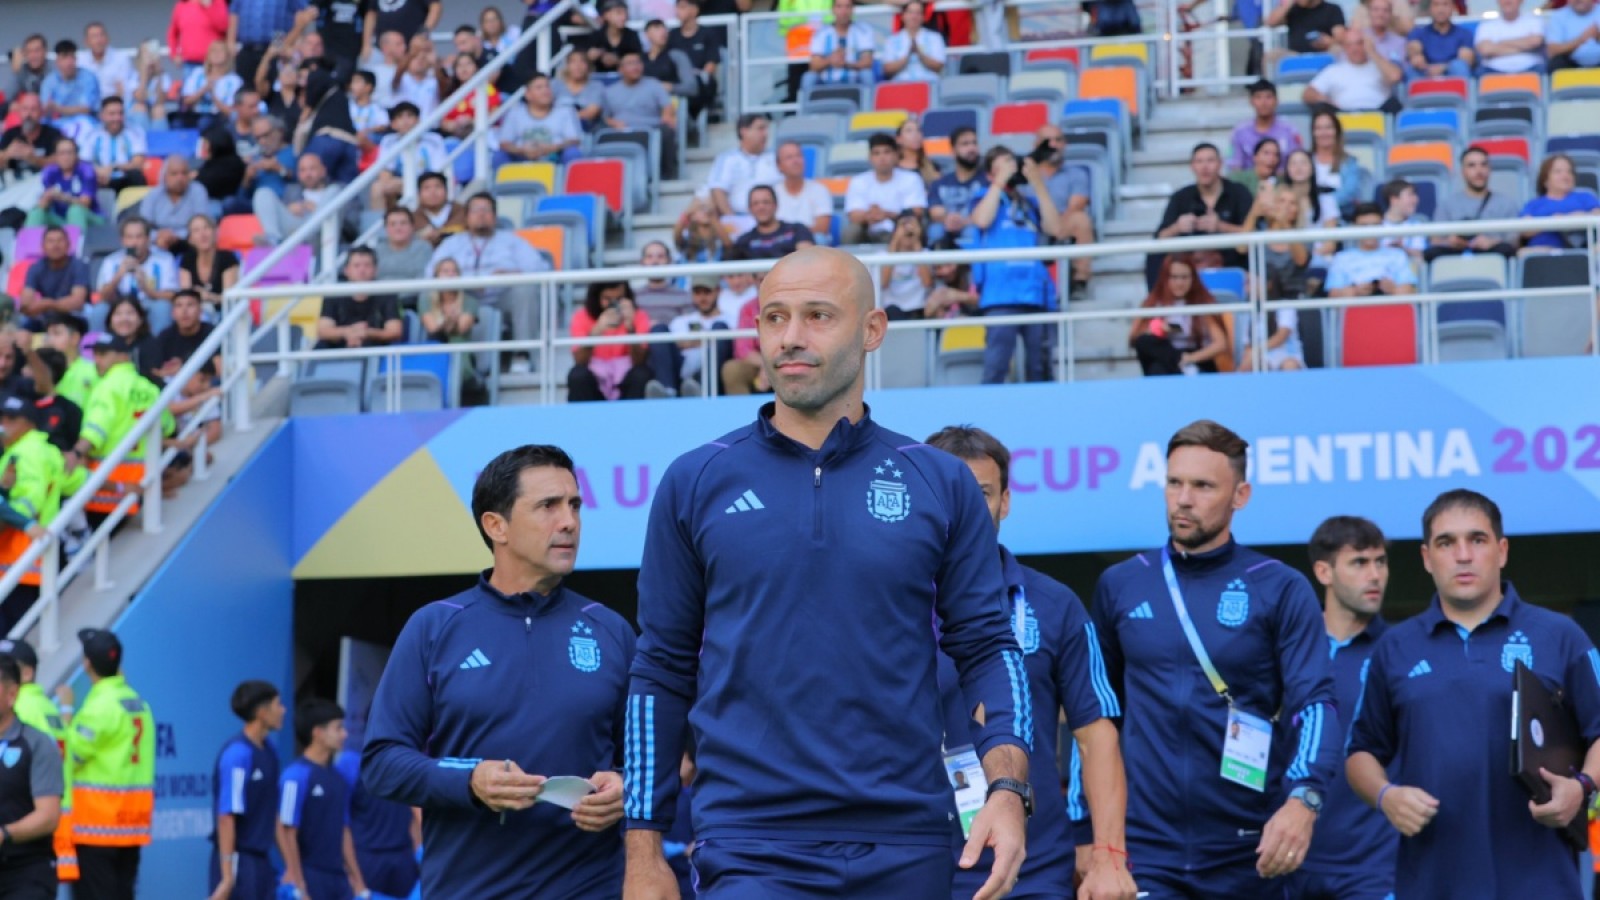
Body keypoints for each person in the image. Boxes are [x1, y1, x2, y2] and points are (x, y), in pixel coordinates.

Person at [622, 246, 1032, 900]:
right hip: (748, 843)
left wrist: (1008, 791)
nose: (790, 338)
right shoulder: (694, 480)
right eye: (774, 317)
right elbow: (660, 668)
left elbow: (987, 647)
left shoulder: (940, 480)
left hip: (907, 840)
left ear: (872, 330)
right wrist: (643, 850)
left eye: (818, 316)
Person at [364, 444, 634, 895]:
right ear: (496, 526)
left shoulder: (612, 630)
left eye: (574, 505)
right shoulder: (434, 627)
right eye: (548, 506)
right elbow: (381, 763)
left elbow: (656, 761)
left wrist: (626, 787)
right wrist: (469, 781)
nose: (569, 521)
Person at [1091, 421, 1339, 899]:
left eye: (1203, 486)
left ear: (1239, 495)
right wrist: (1091, 836)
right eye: (1174, 482)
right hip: (1146, 850)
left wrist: (1303, 799)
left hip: (1250, 849)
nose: (1184, 498)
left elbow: (1315, 703)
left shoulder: (1280, 587)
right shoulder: (1121, 585)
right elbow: (1097, 719)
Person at [1348, 489, 1600, 899]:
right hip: (1432, 883)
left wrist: (1583, 786)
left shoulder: (1560, 635)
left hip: (1542, 884)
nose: (1463, 555)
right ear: (1427, 558)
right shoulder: (1394, 648)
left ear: (1501, 551)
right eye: (1447, 543)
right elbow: (1361, 751)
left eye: (1477, 540)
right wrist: (1385, 795)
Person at [924, 426, 1138, 900]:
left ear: (1005, 501)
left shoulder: (1055, 604)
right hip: (914, 865)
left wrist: (1106, 853)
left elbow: (1095, 734)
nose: (965, 509)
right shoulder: (886, 602)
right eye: (948, 492)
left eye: (979, 493)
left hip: (1032, 869)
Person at [1275, 517, 1396, 900]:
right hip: (1287, 855)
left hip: (1373, 867)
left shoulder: (1400, 651)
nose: (1375, 575)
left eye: (1380, 562)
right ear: (1323, 571)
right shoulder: (1284, 651)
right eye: (1359, 563)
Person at [68, 628, 155, 900]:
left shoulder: (97, 707)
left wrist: (66, 712)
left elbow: (73, 755)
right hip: (132, 825)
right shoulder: (139, 703)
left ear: (87, 664)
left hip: (98, 824)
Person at [970, 146, 1061, 385]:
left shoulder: (1029, 203)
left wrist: (1038, 185)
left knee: (1040, 368)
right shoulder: (983, 196)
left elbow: (1056, 229)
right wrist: (998, 183)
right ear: (990, 174)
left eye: (1013, 164)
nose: (1011, 170)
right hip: (1000, 294)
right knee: (996, 365)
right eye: (1003, 165)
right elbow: (981, 219)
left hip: (1035, 292)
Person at [427, 193, 548, 347]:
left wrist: (512, 275)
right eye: (476, 210)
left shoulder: (512, 241)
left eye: (486, 210)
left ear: (495, 217)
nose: (481, 214)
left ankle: (523, 352)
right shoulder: (451, 244)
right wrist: (464, 283)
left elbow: (539, 268)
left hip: (501, 296)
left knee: (525, 290)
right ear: (466, 217)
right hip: (462, 297)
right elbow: (431, 272)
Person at [277, 699, 368, 900]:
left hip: (338, 880)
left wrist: (358, 881)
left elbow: (344, 830)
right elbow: (286, 831)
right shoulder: (295, 776)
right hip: (310, 877)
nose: (344, 734)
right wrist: (298, 883)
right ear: (317, 732)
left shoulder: (339, 778)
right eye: (338, 728)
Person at [209, 680, 285, 900]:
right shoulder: (238, 754)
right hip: (238, 863)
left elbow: (273, 814)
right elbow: (226, 817)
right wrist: (227, 878)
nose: (283, 710)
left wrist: (291, 868)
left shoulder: (271, 750)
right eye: (278, 705)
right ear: (262, 713)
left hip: (262, 863)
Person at [0, 653, 63, 900]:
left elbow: (48, 817)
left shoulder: (36, 744)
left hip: (26, 872)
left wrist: (5, 834)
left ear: (12, 694)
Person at [1150, 143, 1254, 286]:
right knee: (1154, 256)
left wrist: (1220, 226)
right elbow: (1159, 237)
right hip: (1190, 270)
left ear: (1220, 164)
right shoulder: (1180, 197)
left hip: (1233, 264)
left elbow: (1254, 233)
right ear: (1192, 166)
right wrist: (1177, 228)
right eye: (1199, 161)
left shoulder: (1239, 192)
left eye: (1210, 161)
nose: (1205, 167)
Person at [1130, 253, 1229, 376]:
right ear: (1165, 278)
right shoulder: (1154, 302)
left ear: (1193, 278)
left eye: (1184, 277)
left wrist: (1191, 358)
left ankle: (1186, 366)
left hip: (1197, 357)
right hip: (1165, 354)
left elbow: (1221, 344)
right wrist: (1156, 330)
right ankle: (1181, 365)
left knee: (1158, 369)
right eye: (1174, 277)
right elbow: (1134, 337)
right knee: (1146, 344)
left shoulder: (1202, 302)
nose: (1180, 283)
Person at [1029, 124, 1097, 293]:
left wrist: (1052, 224)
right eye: (1047, 141)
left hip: (1061, 224)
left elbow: (1076, 205)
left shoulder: (1076, 173)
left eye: (1058, 140)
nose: (1053, 145)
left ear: (1065, 144)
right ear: (1036, 145)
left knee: (1080, 219)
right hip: (1029, 227)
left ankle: (1080, 280)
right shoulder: (1024, 174)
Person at [1427, 146, 1522, 262]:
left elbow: (1515, 242)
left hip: (1492, 256)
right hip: (1455, 257)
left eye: (1483, 165)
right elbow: (1435, 241)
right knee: (1432, 253)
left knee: (1505, 249)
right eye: (1472, 165)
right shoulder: (1447, 204)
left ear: (1489, 169)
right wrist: (1451, 242)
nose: (1479, 171)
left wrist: (1491, 242)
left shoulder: (1506, 203)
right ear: (1462, 171)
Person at [569, 281, 655, 402]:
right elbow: (580, 361)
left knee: (641, 374)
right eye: (607, 299)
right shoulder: (581, 316)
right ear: (596, 298)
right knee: (578, 376)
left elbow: (640, 360)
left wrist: (630, 327)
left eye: (619, 299)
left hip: (626, 383)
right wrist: (596, 331)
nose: (613, 304)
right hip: (595, 382)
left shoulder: (639, 316)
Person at [650, 276, 736, 397]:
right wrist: (704, 340)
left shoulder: (731, 320)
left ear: (718, 291)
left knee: (720, 327)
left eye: (707, 292)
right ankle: (667, 390)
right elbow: (668, 348)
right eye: (697, 293)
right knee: (658, 329)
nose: (702, 298)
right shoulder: (681, 320)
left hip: (712, 371)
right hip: (681, 369)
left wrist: (690, 342)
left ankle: (702, 389)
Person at [601, 51, 680, 180]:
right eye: (630, 64)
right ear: (620, 69)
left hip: (651, 128)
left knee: (667, 131)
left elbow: (667, 106)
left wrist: (667, 115)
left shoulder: (653, 84)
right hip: (622, 131)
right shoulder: (609, 91)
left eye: (638, 62)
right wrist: (613, 123)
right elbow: (605, 117)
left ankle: (667, 175)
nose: (635, 67)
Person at [94, 218, 180, 334]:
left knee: (162, 307)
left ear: (148, 239)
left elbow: (171, 296)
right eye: (129, 237)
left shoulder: (164, 259)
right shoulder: (111, 261)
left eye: (139, 237)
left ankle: (158, 347)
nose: (134, 242)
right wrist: (118, 275)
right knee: (99, 310)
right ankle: (99, 348)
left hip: (149, 304)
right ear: (123, 240)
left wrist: (146, 288)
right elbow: (102, 297)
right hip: (119, 306)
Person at [843, 133, 928, 244]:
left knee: (911, 225)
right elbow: (853, 215)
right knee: (852, 230)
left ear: (896, 155)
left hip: (899, 229)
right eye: (876, 153)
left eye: (887, 152)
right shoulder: (858, 181)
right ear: (870, 158)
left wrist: (886, 214)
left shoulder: (911, 179)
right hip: (868, 231)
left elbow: (917, 211)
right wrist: (870, 215)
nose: (882, 158)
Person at [252, 152, 353, 245]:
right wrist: (288, 209)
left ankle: (313, 226)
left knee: (334, 190)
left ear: (323, 170)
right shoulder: (291, 190)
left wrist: (318, 211)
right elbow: (281, 217)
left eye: (312, 169)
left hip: (322, 237)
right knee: (262, 193)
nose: (308, 174)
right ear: (298, 174)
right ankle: (272, 239)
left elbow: (352, 228)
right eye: (303, 170)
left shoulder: (340, 190)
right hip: (294, 233)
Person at [1326, 203, 1420, 298]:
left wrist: (1393, 289)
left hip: (1391, 309)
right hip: (1355, 310)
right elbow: (1333, 295)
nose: (1370, 230)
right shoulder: (1341, 258)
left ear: (1382, 225)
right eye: (1364, 226)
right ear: (1354, 227)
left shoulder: (1397, 255)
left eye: (1375, 225)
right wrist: (1356, 291)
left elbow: (1411, 291)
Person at [316, 248, 403, 350]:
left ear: (375, 270)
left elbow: (395, 331)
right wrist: (348, 332)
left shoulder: (387, 294)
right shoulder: (333, 294)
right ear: (346, 270)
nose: (362, 270)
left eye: (367, 265)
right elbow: (323, 330)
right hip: (339, 349)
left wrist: (367, 333)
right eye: (356, 266)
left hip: (376, 351)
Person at [371, 101, 450, 209]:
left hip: (428, 182)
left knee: (428, 188)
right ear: (393, 124)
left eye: (410, 116)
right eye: (400, 117)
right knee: (377, 188)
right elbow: (385, 173)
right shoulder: (388, 141)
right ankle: (382, 223)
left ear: (418, 120)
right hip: (402, 183)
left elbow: (437, 172)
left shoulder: (433, 140)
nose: (405, 121)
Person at [1302, 29, 1401, 111]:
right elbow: (1308, 94)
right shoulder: (1333, 70)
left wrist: (1372, 51)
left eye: (1359, 43)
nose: (1355, 49)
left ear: (1366, 44)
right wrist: (1326, 100)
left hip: (1378, 115)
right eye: (1349, 45)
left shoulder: (1379, 66)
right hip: (1343, 116)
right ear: (1344, 48)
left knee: (1394, 104)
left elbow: (1395, 76)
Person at [1520, 153, 1600, 252]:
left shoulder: (1585, 197)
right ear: (1545, 179)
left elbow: (1597, 215)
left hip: (1583, 250)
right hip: (1544, 251)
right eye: (1558, 172)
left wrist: (1573, 218)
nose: (1565, 176)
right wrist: (1552, 221)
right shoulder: (1534, 204)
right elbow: (1524, 230)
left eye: (1569, 172)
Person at [496, 73, 582, 165]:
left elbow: (574, 140)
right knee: (499, 156)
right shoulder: (515, 114)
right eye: (539, 87)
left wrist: (553, 148)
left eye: (547, 86)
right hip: (521, 158)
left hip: (556, 158)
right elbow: (504, 143)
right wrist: (522, 150)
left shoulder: (565, 111)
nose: (545, 91)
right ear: (528, 94)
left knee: (572, 153)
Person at [707, 113, 779, 220]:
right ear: (744, 131)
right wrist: (733, 220)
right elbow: (718, 191)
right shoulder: (727, 159)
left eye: (766, 129)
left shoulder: (776, 157)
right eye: (760, 129)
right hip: (739, 217)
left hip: (774, 220)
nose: (765, 134)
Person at [18, 227, 91, 330]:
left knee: (89, 311)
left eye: (60, 240)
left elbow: (77, 302)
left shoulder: (79, 266)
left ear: (69, 245)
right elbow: (26, 303)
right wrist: (32, 306)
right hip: (47, 314)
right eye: (50, 241)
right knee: (22, 320)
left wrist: (49, 304)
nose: (55, 245)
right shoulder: (36, 268)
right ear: (43, 247)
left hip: (73, 314)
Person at [138, 156, 213, 253]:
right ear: (164, 176)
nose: (180, 178)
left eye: (184, 173)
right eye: (174, 174)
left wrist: (175, 236)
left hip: (190, 243)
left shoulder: (198, 191)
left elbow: (203, 224)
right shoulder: (153, 194)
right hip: (158, 243)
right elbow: (143, 226)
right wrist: (157, 236)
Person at [927, 126, 987, 243]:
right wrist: (947, 219)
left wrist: (964, 222)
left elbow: (987, 214)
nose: (972, 148)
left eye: (974, 143)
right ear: (953, 151)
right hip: (946, 230)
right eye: (965, 144)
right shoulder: (940, 183)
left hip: (973, 227)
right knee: (935, 230)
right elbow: (935, 212)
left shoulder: (987, 181)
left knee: (971, 231)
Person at [1308, 110, 1370, 220]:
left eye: (1328, 127)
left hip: (1341, 220)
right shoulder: (1305, 160)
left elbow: (1350, 192)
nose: (1324, 133)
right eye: (1318, 128)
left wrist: (1322, 205)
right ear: (1313, 133)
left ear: (1336, 131)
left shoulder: (1349, 161)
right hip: (1309, 218)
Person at [1229, 80, 1303, 172]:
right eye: (1258, 97)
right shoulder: (1240, 132)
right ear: (1251, 101)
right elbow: (1235, 167)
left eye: (1268, 97)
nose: (1263, 102)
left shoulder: (1289, 131)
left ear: (1277, 101)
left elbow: (1298, 162)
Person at [667, 0, 723, 119]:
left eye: (682, 7)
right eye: (677, 7)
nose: (677, 11)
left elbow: (711, 64)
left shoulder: (708, 34)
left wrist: (694, 76)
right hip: (678, 81)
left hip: (700, 81)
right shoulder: (672, 35)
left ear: (694, 10)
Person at [803, 0, 877, 90]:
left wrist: (846, 63)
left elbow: (867, 63)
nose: (843, 11)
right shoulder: (821, 33)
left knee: (867, 75)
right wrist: (830, 60)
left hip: (854, 80)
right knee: (808, 77)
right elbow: (813, 65)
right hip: (826, 82)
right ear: (833, 9)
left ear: (853, 9)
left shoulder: (863, 31)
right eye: (839, 6)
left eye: (847, 6)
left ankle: (869, 104)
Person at [80, 97, 148, 193]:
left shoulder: (135, 132)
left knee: (136, 175)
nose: (117, 118)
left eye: (120, 113)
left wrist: (113, 168)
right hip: (99, 178)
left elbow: (137, 164)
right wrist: (99, 172)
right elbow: (84, 162)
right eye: (112, 114)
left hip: (124, 178)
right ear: (102, 115)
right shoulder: (91, 134)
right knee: (85, 175)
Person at [147, 289, 217, 381]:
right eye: (179, 306)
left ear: (200, 311)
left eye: (190, 305)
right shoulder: (165, 336)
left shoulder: (212, 333)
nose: (184, 311)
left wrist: (182, 367)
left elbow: (219, 370)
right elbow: (155, 370)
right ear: (172, 313)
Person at [733, 185, 816, 260]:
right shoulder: (743, 241)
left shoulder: (798, 230)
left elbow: (807, 261)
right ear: (749, 209)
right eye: (755, 203)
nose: (761, 207)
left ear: (775, 205)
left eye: (766, 202)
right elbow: (734, 273)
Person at [772, 140, 833, 240]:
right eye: (789, 157)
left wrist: (792, 237)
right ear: (779, 166)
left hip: (811, 245)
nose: (796, 161)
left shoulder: (820, 190)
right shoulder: (772, 193)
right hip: (780, 244)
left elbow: (822, 228)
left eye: (799, 156)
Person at [39, 41, 102, 137]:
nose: (69, 62)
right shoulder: (49, 81)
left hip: (83, 122)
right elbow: (45, 108)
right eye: (64, 57)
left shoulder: (88, 78)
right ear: (57, 61)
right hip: (57, 123)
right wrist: (48, 109)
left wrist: (58, 108)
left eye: (72, 57)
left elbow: (86, 109)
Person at [178, 214, 240, 311]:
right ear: (190, 239)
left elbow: (230, 298)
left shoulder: (227, 258)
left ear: (215, 232)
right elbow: (186, 296)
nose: (203, 234)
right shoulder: (187, 259)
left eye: (206, 228)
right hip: (197, 314)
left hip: (224, 313)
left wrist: (208, 296)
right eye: (196, 230)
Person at [879, 213, 931, 319]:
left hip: (919, 307)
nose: (908, 229)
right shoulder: (882, 256)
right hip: (891, 308)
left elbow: (927, 283)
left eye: (912, 225)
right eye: (903, 225)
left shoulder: (926, 254)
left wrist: (917, 244)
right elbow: (883, 283)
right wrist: (895, 243)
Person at [1406, 0, 1475, 79]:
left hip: (1452, 75)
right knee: (1412, 70)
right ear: (1430, 8)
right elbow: (1414, 51)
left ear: (1453, 7)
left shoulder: (1464, 34)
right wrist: (1417, 58)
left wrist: (1442, 68)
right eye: (1436, 5)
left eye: (1445, 4)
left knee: (1459, 66)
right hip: (1426, 73)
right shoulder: (1418, 33)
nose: (1440, 9)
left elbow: (1466, 60)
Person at [418, 258, 480, 345]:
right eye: (445, 271)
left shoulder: (470, 300)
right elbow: (432, 329)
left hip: (460, 352)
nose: (451, 274)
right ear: (436, 276)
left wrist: (450, 322)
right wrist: (448, 320)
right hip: (435, 351)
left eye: (455, 271)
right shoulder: (425, 299)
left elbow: (461, 329)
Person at [881, 0, 947, 81]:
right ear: (903, 16)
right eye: (910, 12)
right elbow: (887, 69)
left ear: (923, 17)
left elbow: (939, 66)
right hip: (900, 86)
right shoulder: (892, 40)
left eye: (918, 13)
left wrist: (920, 54)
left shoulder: (935, 37)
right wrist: (907, 57)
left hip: (929, 84)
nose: (914, 16)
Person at [1, 94, 66, 176]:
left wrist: (34, 159)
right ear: (19, 112)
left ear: (41, 112)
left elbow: (63, 160)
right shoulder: (10, 134)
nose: (28, 114)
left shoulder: (53, 134)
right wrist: (7, 154)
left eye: (33, 109)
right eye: (25, 109)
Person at [374, 206, 434, 294]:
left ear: (412, 226)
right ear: (386, 228)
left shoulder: (423, 248)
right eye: (393, 224)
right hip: (380, 300)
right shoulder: (376, 251)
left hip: (413, 301)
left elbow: (423, 280)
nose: (398, 228)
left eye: (403, 223)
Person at [1475, 0, 1547, 73]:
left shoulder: (1535, 21)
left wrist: (1501, 43)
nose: (1507, 1)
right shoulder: (1486, 26)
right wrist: (1525, 48)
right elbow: (1486, 50)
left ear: (1521, 1)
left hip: (1531, 68)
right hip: (1492, 70)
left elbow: (1535, 42)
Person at [45, 313, 98, 409]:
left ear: (74, 338)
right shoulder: (42, 371)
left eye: (56, 333)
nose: (50, 340)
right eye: (48, 335)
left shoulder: (93, 371)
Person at [1266, 0, 1346, 62]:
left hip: (1323, 54)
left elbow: (1341, 39)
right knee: (1271, 55)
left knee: (1337, 49)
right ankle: (1268, 83)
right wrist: (1287, 4)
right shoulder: (1293, 10)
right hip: (1296, 56)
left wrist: (1329, 41)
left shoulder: (1332, 9)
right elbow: (1271, 23)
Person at [78, 24, 136, 108]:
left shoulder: (121, 58)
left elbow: (124, 90)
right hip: (88, 108)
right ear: (86, 42)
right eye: (94, 36)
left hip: (116, 106)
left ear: (108, 38)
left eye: (101, 35)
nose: (99, 40)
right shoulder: (80, 61)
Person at [168, 0, 232, 72]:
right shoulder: (181, 5)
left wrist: (209, 6)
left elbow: (223, 27)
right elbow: (172, 34)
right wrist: (174, 54)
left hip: (215, 64)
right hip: (190, 64)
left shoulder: (217, 2)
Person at [1378, 179, 1426, 263]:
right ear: (1394, 199)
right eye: (1410, 195)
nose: (1416, 200)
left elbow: (1420, 257)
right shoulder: (1376, 224)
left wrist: (1403, 250)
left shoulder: (1417, 225)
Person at [555, 51, 605, 131]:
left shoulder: (596, 86)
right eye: (573, 61)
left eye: (582, 61)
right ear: (567, 66)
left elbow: (592, 113)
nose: (578, 66)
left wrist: (560, 117)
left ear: (588, 66)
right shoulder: (555, 85)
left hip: (587, 132)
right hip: (557, 130)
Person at [1548, 0, 1600, 70]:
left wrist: (1597, 36)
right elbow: (1552, 51)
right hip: (1571, 64)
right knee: (1556, 62)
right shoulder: (1558, 16)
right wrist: (1581, 40)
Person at [895, 119, 941, 185]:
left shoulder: (932, 166)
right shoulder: (892, 167)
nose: (915, 134)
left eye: (918, 130)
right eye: (909, 131)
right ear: (898, 139)